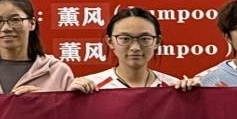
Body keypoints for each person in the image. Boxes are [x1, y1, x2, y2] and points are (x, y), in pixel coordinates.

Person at [70, 6, 198, 92]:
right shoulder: (91, 88)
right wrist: (71, 98)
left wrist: (193, 97)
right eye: (125, 38)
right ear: (110, 41)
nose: (135, 47)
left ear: (157, 41)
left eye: (145, 38)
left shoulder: (174, 89)